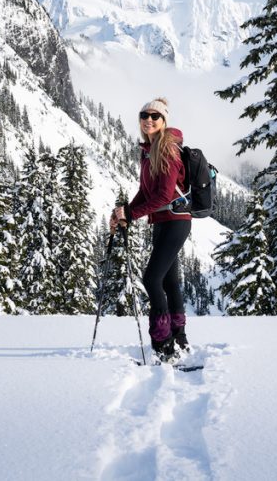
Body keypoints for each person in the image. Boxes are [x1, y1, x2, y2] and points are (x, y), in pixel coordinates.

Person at [110, 97, 192, 363]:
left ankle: (164, 343)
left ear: (164, 119)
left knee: (151, 279)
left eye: (154, 116)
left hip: (176, 221)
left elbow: (166, 195)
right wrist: (126, 212)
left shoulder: (167, 149)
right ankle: (179, 339)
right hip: (162, 222)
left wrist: (132, 213)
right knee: (168, 281)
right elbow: (146, 192)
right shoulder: (149, 150)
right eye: (144, 115)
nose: (148, 120)